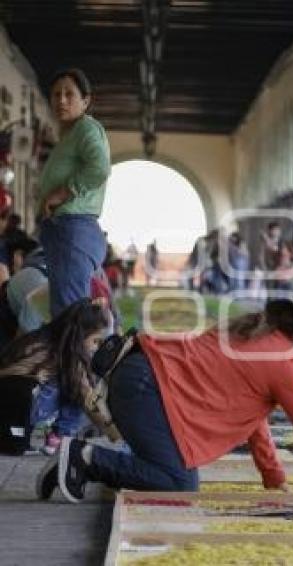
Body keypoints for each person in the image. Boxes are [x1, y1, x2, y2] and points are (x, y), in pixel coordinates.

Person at [36, 300, 293, 503]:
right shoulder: (283, 362)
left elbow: (253, 417)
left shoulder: (261, 335)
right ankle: (84, 458)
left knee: (175, 475)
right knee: (177, 482)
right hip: (147, 389)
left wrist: (273, 476)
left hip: (138, 378)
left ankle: (75, 461)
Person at [35, 68, 110, 447]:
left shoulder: (87, 130)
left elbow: (99, 168)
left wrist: (63, 193)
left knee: (73, 332)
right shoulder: (70, 136)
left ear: (86, 100)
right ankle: (64, 418)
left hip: (73, 230)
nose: (61, 100)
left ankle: (67, 424)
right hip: (67, 234)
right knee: (70, 328)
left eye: (69, 93)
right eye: (55, 94)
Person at [0, 299, 111, 462]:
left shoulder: (41, 338)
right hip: (19, 406)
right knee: (78, 386)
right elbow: (89, 398)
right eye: (95, 341)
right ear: (80, 336)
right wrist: (111, 429)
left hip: (9, 403)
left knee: (74, 380)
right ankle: (60, 438)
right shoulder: (69, 356)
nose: (95, 348)